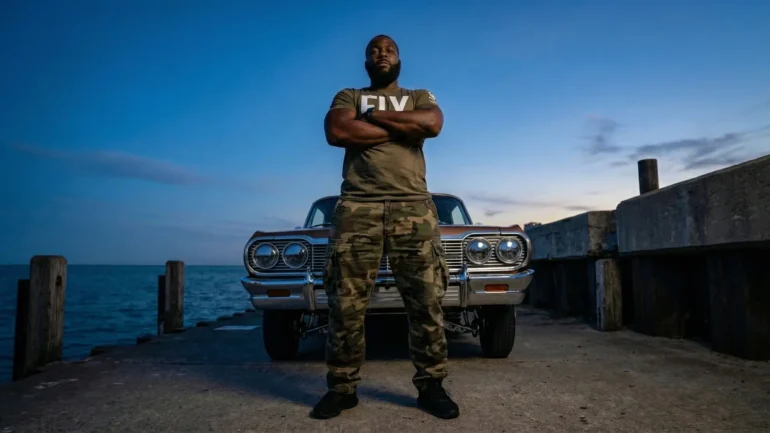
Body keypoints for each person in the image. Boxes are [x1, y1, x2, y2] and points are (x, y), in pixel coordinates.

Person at [310, 34, 459, 420]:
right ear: (365, 61)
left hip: (414, 206)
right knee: (346, 303)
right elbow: (338, 132)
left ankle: (432, 386)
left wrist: (373, 118)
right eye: (374, 50)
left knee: (426, 300)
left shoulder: (418, 95)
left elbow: (432, 124)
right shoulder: (349, 95)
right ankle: (342, 389)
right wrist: (403, 129)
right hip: (358, 206)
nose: (382, 54)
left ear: (399, 59)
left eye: (389, 49)